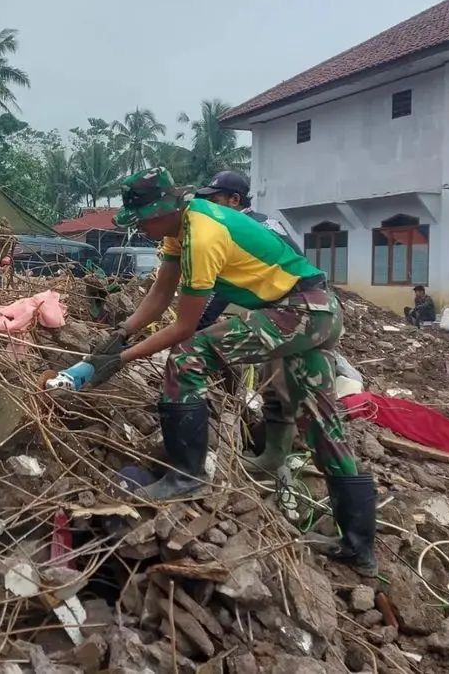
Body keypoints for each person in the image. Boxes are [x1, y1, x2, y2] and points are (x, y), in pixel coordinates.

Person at [87, 167, 376, 575]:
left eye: (142, 221)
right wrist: (121, 334)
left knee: (188, 355)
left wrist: (119, 361)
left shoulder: (203, 234)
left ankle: (186, 475)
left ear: (163, 210)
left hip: (301, 311)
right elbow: (160, 294)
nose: (140, 229)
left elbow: (185, 327)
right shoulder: (180, 227)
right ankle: (360, 547)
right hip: (317, 310)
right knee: (321, 422)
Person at [194, 171, 302, 330]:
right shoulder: (266, 221)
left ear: (235, 200)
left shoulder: (236, 230)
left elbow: (226, 286)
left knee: (205, 345)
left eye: (215, 201)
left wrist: (198, 326)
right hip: (311, 301)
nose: (211, 208)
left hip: (288, 309)